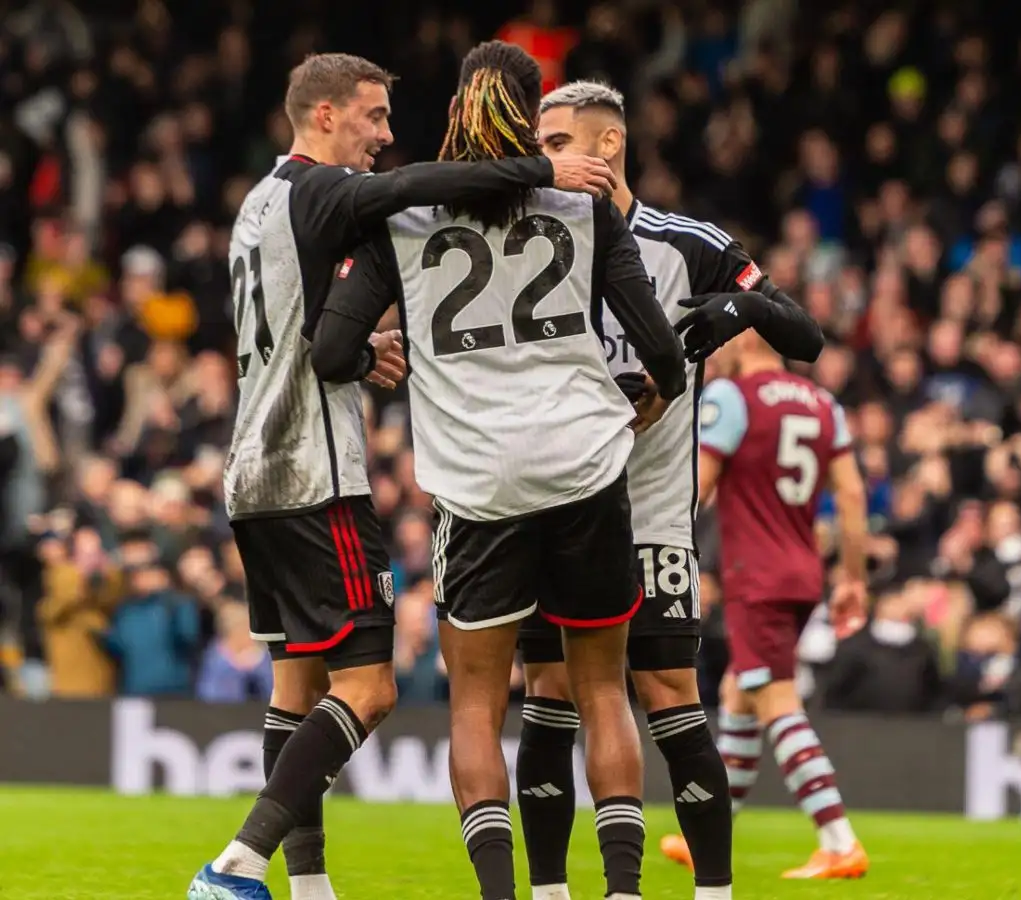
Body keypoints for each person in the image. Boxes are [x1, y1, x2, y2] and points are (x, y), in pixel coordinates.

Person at [190, 50, 615, 900]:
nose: (384, 138)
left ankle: (308, 886)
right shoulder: (316, 187)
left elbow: (313, 335)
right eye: (373, 117)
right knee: (371, 688)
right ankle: (236, 864)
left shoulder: (257, 205)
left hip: (253, 474)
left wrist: (361, 352)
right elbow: (413, 189)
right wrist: (543, 167)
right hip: (315, 470)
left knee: (296, 687)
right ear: (322, 117)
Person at [313, 42, 684, 900]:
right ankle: (623, 891)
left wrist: (379, 355)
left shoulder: (400, 221)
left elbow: (333, 349)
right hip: (584, 468)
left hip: (477, 482)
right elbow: (659, 344)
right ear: (529, 114)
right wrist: (650, 398)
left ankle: (498, 895)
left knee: (476, 706)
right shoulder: (583, 206)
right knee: (600, 690)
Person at [515, 80, 823, 900]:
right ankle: (548, 891)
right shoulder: (528, 242)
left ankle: (714, 892)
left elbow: (807, 336)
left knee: (668, 698)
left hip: (650, 518)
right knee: (546, 693)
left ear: (606, 145)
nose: (536, 157)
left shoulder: (683, 243)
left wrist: (735, 306)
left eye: (552, 143)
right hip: (549, 509)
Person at [686, 326, 870, 880]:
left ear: (747, 340)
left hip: (755, 577)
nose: (713, 348)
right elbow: (853, 495)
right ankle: (711, 833)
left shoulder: (731, 398)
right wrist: (854, 578)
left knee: (775, 700)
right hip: (803, 571)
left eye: (721, 338)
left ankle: (839, 840)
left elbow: (697, 486)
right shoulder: (824, 404)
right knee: (738, 692)